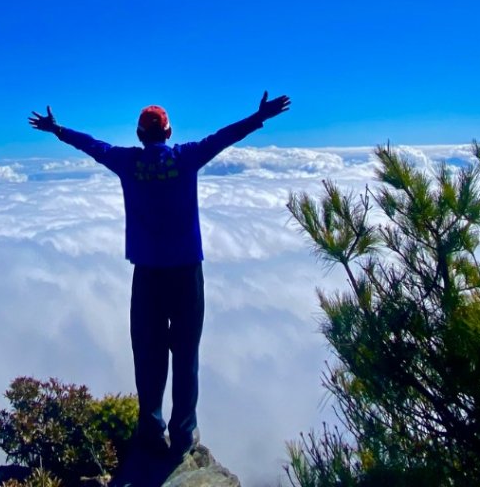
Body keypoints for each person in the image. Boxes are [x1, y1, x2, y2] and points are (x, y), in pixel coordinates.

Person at [28, 91, 291, 459]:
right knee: (185, 355)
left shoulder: (127, 162)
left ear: (139, 135)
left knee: (148, 355)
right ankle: (183, 434)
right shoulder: (186, 158)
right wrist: (258, 116)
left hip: (147, 274)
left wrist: (58, 130)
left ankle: (151, 432)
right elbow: (224, 137)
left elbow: (92, 146)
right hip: (186, 273)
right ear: (169, 133)